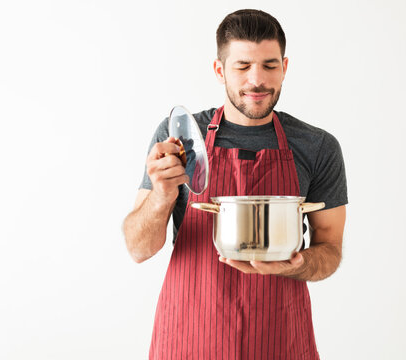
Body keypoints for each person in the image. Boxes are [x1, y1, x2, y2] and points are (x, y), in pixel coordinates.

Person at [123, 9, 348, 360]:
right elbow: (138, 248)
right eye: (242, 66)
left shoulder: (317, 146)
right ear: (219, 70)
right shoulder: (181, 139)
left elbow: (331, 248)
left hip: (279, 340)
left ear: (285, 67)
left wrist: (298, 264)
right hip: (190, 338)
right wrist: (162, 195)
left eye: (269, 66)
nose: (256, 80)